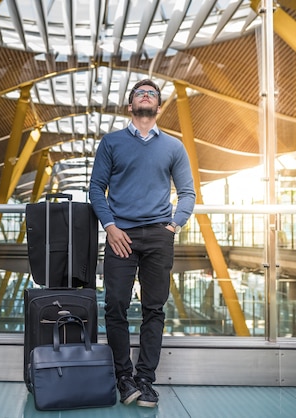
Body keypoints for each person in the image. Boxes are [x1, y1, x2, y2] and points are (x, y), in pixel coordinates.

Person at [89, 79, 196, 408]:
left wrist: (174, 226)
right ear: (130, 106)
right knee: (115, 306)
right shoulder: (112, 143)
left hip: (159, 237)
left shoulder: (174, 147)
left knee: (154, 309)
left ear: (159, 107)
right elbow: (96, 189)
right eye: (140, 94)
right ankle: (124, 377)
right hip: (121, 236)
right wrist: (110, 227)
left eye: (151, 94)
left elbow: (188, 193)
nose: (146, 97)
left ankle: (145, 379)